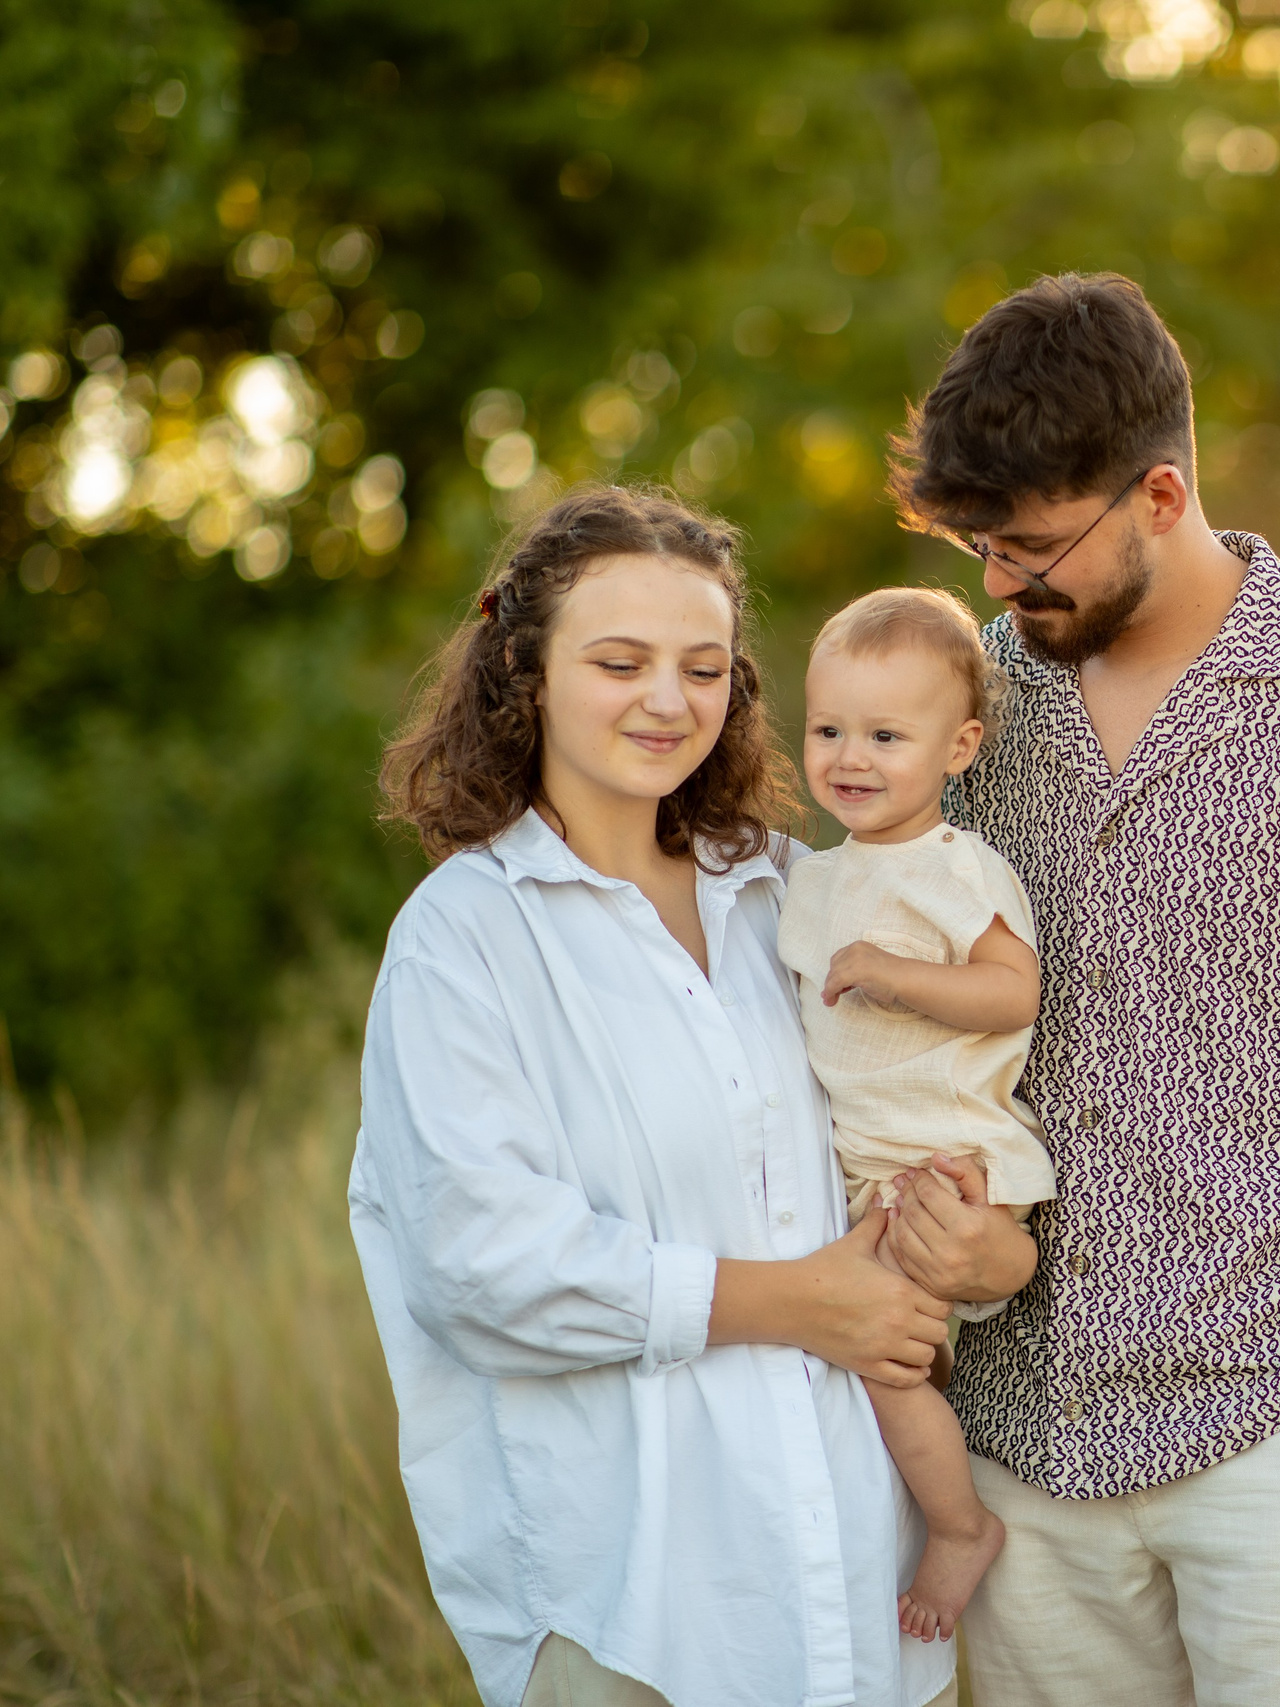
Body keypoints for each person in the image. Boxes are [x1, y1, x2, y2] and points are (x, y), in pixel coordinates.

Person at [890, 272, 1280, 1706]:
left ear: (1161, 496)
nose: (998, 580)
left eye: (1034, 544)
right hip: (1025, 1455)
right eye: (981, 543)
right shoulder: (968, 705)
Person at [350, 485, 1030, 1707]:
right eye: (620, 661)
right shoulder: (465, 939)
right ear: (529, 671)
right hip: (636, 1610)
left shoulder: (794, 893)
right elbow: (477, 1269)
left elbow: (925, 1109)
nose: (669, 701)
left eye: (703, 667)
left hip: (860, 1602)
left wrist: (988, 1250)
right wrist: (796, 1303)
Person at [777, 586, 1056, 1642]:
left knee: (881, 1361)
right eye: (829, 729)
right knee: (879, 1361)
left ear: (958, 747)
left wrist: (896, 976)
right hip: (871, 1165)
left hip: (947, 1159)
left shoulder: (956, 869)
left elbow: (1012, 992)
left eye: (886, 735)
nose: (852, 755)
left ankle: (956, 1527)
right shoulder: (812, 878)